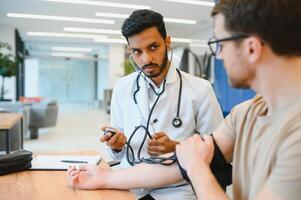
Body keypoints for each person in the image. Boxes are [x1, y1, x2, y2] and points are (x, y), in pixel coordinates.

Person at [68, 0, 301, 199]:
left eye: (219, 44)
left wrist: (195, 164)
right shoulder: (245, 114)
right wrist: (105, 177)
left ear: (251, 48)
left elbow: (193, 162)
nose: (217, 55)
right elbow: (176, 167)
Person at [100, 9, 223, 200]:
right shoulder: (123, 87)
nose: (146, 59)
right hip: (130, 186)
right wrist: (116, 146)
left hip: (177, 190)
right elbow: (117, 155)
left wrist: (177, 147)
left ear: (167, 42)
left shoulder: (200, 89)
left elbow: (219, 152)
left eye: (153, 47)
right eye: (137, 51)